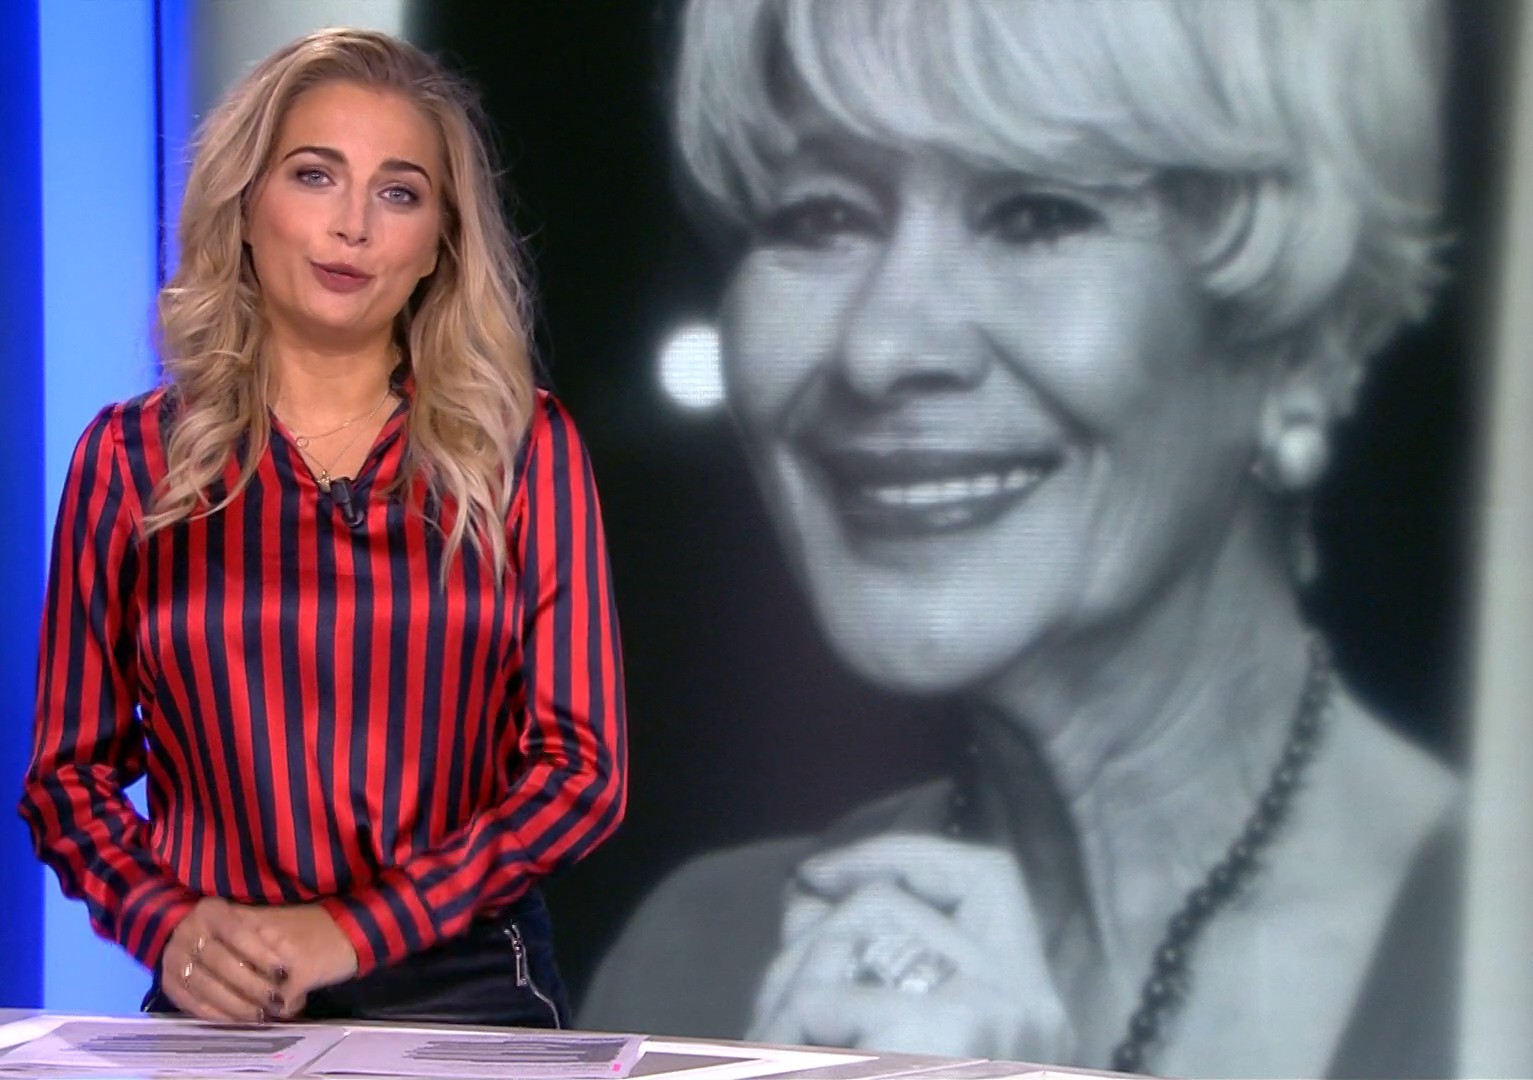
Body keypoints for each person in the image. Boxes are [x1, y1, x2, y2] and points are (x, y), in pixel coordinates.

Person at [584, 1, 1458, 1076]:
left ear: (1302, 346)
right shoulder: (696, 965)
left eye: (1036, 213)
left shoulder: (1512, 961)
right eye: (821, 216)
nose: (882, 348)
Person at [20, 28, 626, 1028]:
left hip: (470, 996)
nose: (353, 226)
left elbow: (580, 774)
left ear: (440, 242)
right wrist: (167, 925)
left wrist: (351, 930)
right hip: (225, 1003)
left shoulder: (523, 449)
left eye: (399, 193)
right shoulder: (129, 460)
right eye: (315, 176)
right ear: (244, 203)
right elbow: (66, 780)